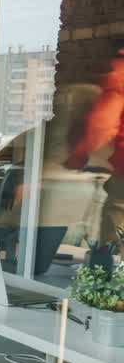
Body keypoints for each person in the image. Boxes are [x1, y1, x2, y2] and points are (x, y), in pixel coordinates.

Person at [65, 55, 124, 245]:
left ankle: (108, 270)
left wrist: (77, 157)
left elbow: (101, 127)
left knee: (116, 219)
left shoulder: (117, 83)